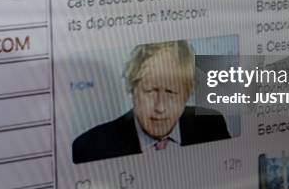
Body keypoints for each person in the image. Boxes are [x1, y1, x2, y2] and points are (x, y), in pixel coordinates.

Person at [72, 40, 231, 164]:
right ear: (132, 89)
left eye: (171, 92)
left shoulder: (212, 126)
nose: (160, 107)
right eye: (150, 91)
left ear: (187, 95)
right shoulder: (90, 149)